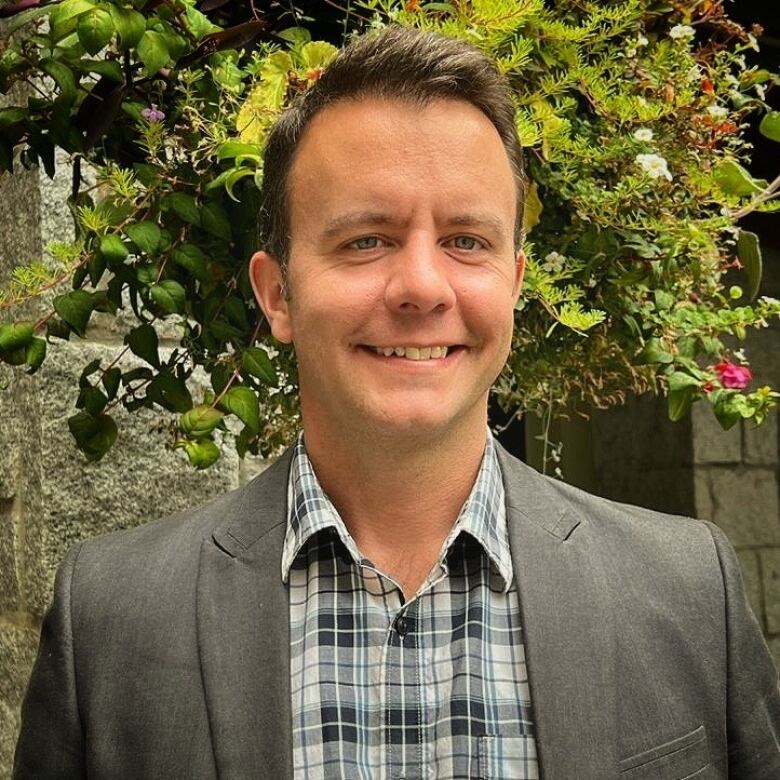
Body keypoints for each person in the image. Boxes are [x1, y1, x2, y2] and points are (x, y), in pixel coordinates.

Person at [13, 25, 780, 780]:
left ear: (513, 287)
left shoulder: (687, 591)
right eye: (366, 240)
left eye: (467, 241)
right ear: (278, 295)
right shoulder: (110, 622)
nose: (421, 286)